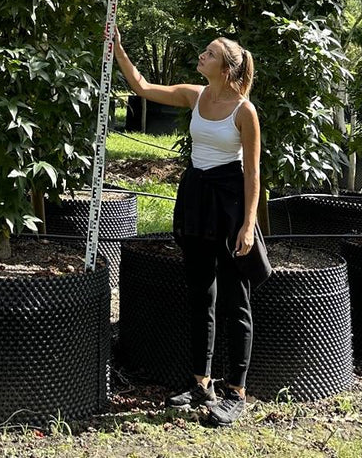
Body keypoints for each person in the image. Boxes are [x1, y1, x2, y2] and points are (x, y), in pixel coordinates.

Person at [113, 26, 261, 426]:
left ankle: (237, 392)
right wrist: (119, 49)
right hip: (196, 198)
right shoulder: (195, 96)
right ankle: (202, 383)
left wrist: (248, 225)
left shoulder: (244, 111)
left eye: (209, 53)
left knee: (236, 299)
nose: (202, 55)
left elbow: (252, 174)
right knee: (201, 294)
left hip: (229, 204)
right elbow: (142, 87)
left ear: (227, 68)